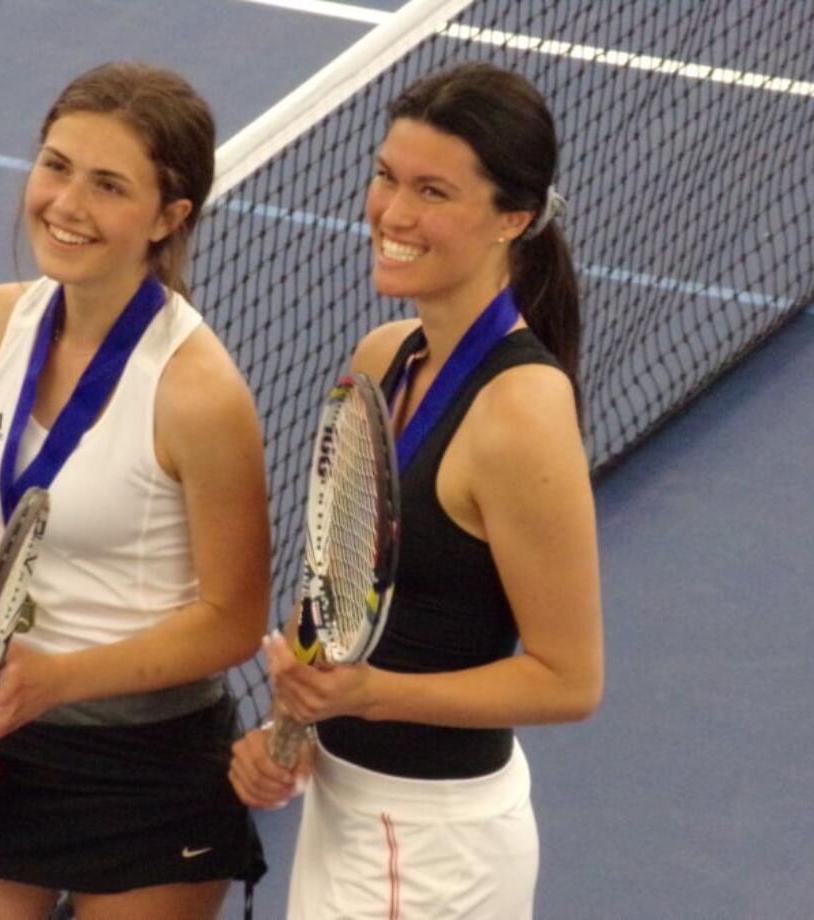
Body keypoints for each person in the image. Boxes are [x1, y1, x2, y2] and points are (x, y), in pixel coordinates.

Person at [0, 61, 270, 920]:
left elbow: (234, 620)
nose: (66, 203)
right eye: (57, 165)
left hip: (153, 772)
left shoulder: (198, 395)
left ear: (169, 218)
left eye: (108, 185)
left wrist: (58, 679)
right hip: (7, 750)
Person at [228, 62, 604, 918]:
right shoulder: (383, 358)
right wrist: (287, 735)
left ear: (512, 217)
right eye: (387, 177)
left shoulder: (522, 413)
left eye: (433, 191)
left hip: (431, 850)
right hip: (350, 810)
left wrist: (370, 696)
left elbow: (568, 680)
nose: (393, 214)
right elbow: (333, 590)